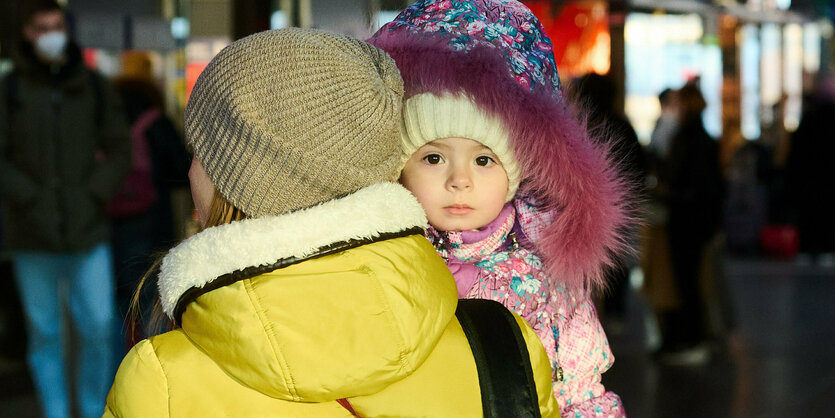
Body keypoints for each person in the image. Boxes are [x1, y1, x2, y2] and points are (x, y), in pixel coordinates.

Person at [103, 29, 559, 417]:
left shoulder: (160, 383)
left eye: (201, 154)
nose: (189, 173)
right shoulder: (502, 345)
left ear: (246, 182)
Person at [371, 2, 631, 416]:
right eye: (433, 158)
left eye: (483, 160)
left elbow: (581, 390)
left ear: (517, 170)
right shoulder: (377, 253)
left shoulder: (547, 268)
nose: (460, 180)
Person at [0, 2, 130, 417]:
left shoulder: (91, 84)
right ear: (28, 33)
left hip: (86, 231)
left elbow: (119, 147)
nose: (51, 33)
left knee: (96, 327)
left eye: (57, 26)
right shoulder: (11, 89)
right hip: (31, 234)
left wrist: (95, 192)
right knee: (45, 332)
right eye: (42, 27)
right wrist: (28, 197)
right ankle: (55, 411)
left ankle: (93, 409)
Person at [110, 52, 190, 349]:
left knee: (116, 301)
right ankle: (148, 363)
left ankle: (116, 371)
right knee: (147, 299)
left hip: (106, 217)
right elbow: (180, 168)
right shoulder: (153, 117)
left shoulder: (107, 109)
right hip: (150, 218)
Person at [657, 82, 724, 363]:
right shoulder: (703, 138)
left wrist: (666, 192)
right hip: (697, 221)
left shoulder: (688, 139)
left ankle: (691, 340)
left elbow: (688, 183)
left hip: (686, 220)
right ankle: (693, 338)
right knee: (692, 281)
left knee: (687, 282)